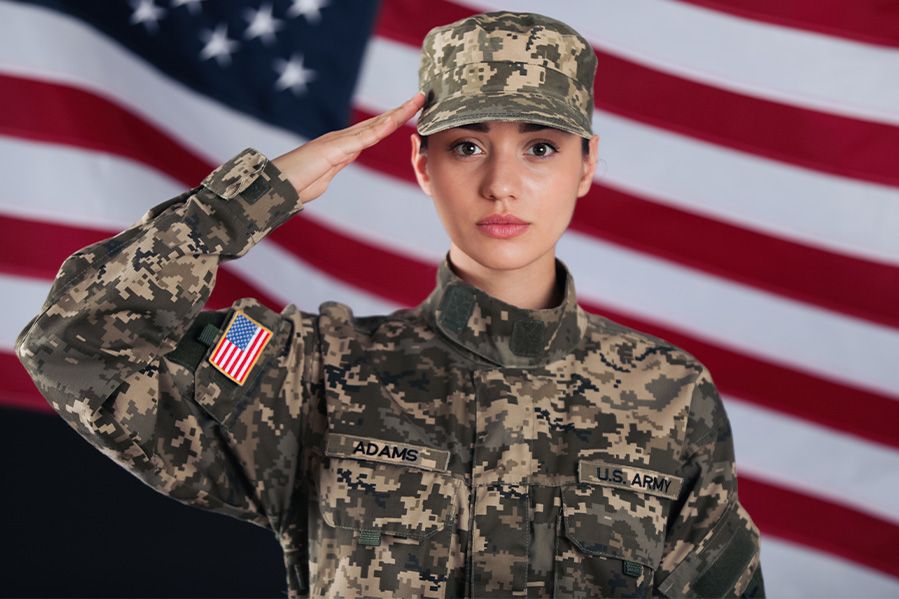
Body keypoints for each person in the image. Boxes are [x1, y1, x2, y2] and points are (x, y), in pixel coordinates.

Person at [15, 10, 764, 599]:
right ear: (421, 162)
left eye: (539, 147)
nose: (502, 183)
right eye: (467, 145)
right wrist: (247, 199)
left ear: (586, 165)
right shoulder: (313, 372)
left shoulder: (667, 393)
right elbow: (72, 348)